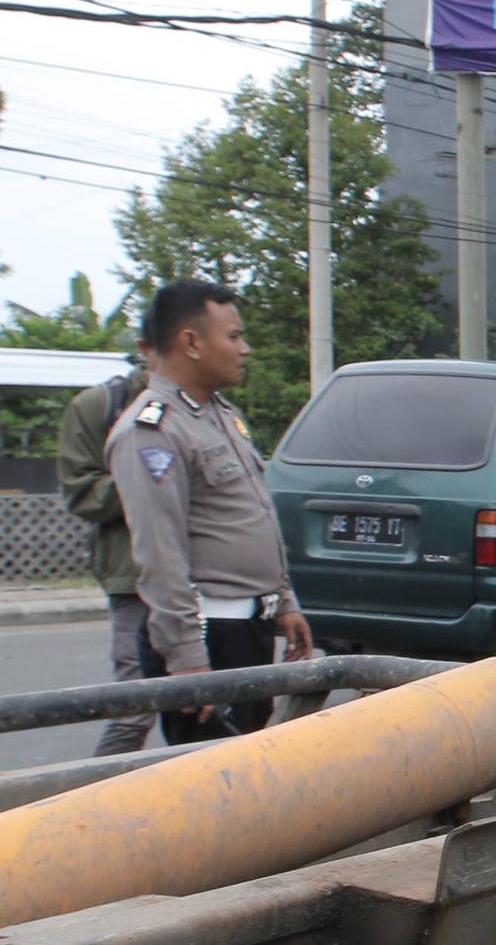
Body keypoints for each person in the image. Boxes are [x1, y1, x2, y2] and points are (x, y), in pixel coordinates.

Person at [106, 280, 312, 744]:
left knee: (252, 763)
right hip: (208, 637)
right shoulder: (152, 430)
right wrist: (186, 658)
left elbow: (249, 516)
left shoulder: (219, 415)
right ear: (192, 342)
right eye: (235, 336)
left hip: (246, 628)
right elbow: (161, 554)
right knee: (216, 786)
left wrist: (283, 600)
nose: (246, 348)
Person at [57, 346, 155, 754]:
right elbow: (82, 493)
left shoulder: (211, 404)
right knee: (135, 708)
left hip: (210, 579)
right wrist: (153, 475)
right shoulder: (100, 405)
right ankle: (94, 805)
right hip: (133, 575)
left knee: (216, 706)